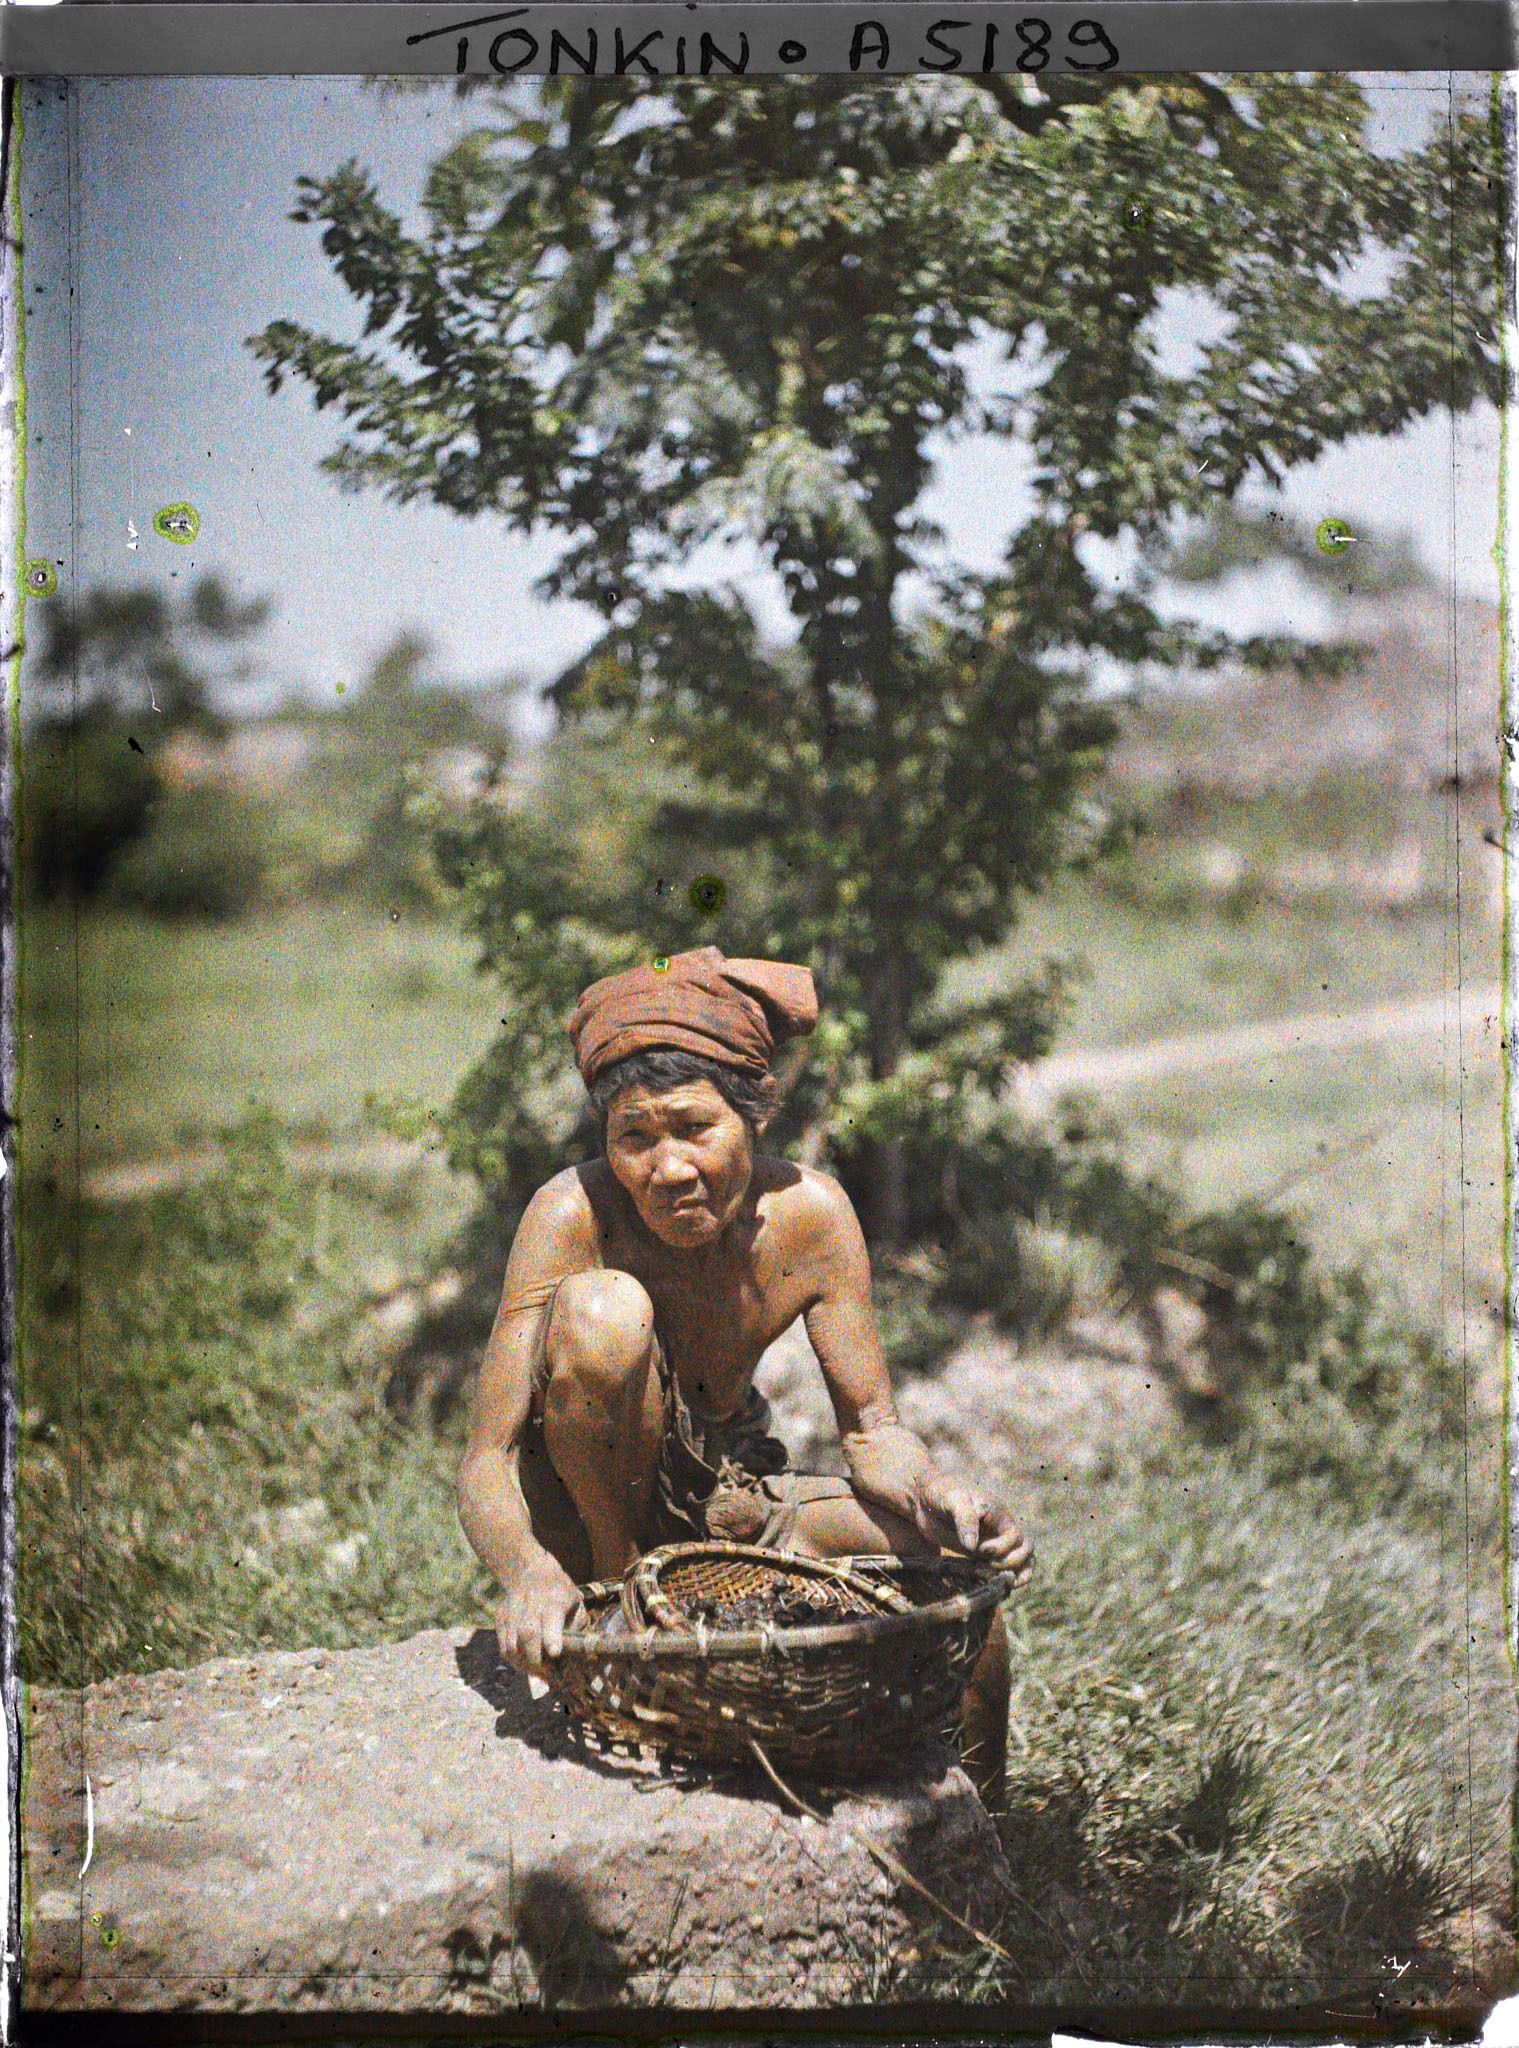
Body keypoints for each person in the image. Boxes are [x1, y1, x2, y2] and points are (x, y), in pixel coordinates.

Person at [457, 946, 1034, 1802]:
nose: (670, 1168)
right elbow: (486, 1461)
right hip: (589, 1522)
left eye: (695, 1128)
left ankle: (988, 1833)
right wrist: (531, 1577)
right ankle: (621, 1601)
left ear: (755, 1116)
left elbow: (874, 1434)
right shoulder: (571, 1216)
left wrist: (938, 1497)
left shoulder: (812, 1215)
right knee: (605, 1312)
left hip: (726, 1502)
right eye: (634, 1138)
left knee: (959, 1587)